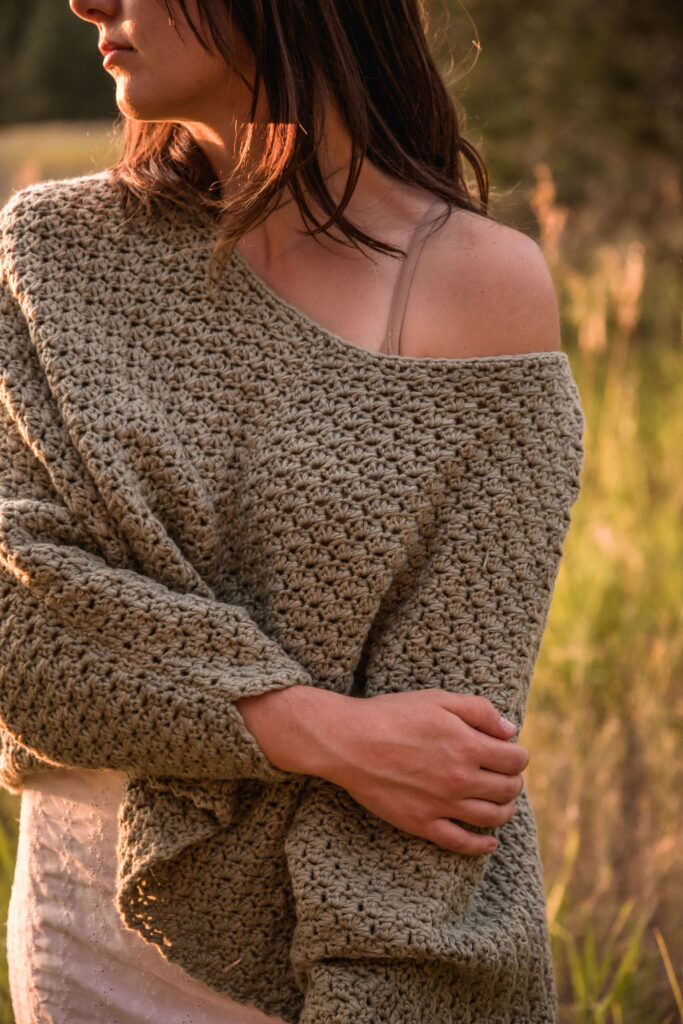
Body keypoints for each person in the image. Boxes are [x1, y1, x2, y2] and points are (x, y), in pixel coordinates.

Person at [0, 1, 585, 1022]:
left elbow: (444, 756)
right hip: (88, 923)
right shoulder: (53, 255)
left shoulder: (484, 290)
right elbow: (18, 628)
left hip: (347, 936)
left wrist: (371, 997)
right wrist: (324, 731)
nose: (88, 1)